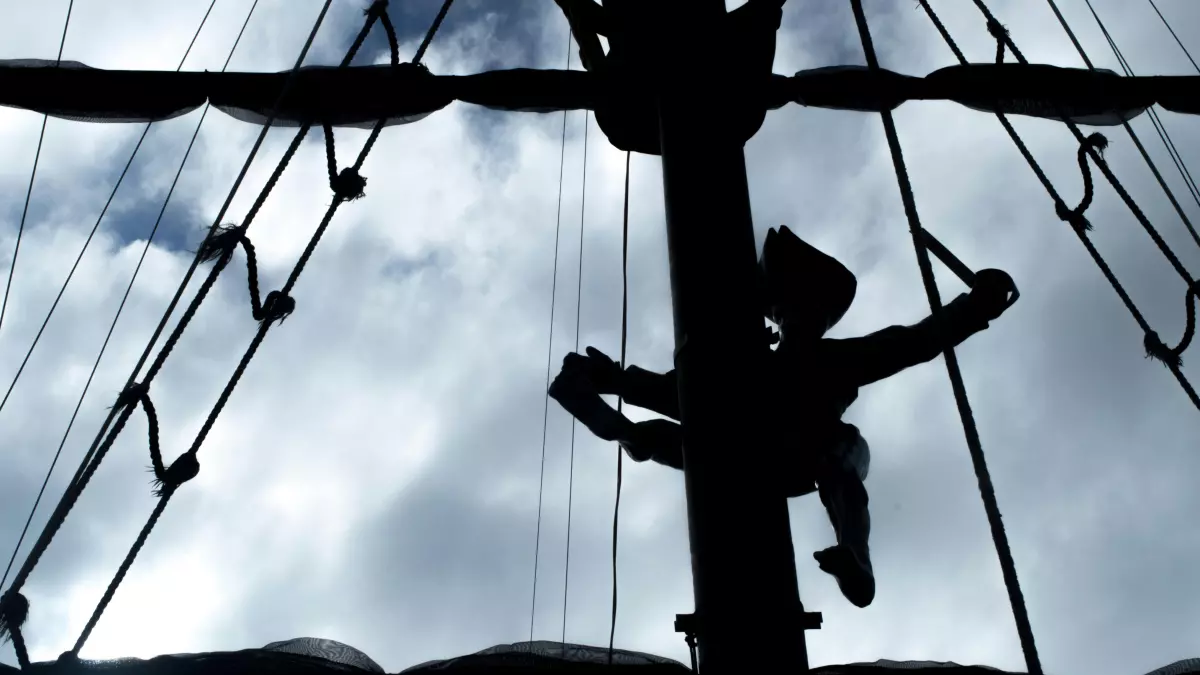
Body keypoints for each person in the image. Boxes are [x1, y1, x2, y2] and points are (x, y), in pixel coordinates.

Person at [548, 225, 1018, 609]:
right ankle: (629, 433)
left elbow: (913, 343)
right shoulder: (779, 366)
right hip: (753, 450)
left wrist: (975, 308)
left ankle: (630, 435)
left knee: (826, 452)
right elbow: (911, 343)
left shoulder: (816, 363)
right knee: (700, 429)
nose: (798, 314)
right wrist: (614, 381)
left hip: (793, 456)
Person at [551, 0, 787, 155]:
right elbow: (764, 15)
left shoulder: (745, 114)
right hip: (662, 24)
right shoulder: (744, 112)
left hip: (633, 22)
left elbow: (592, 54)